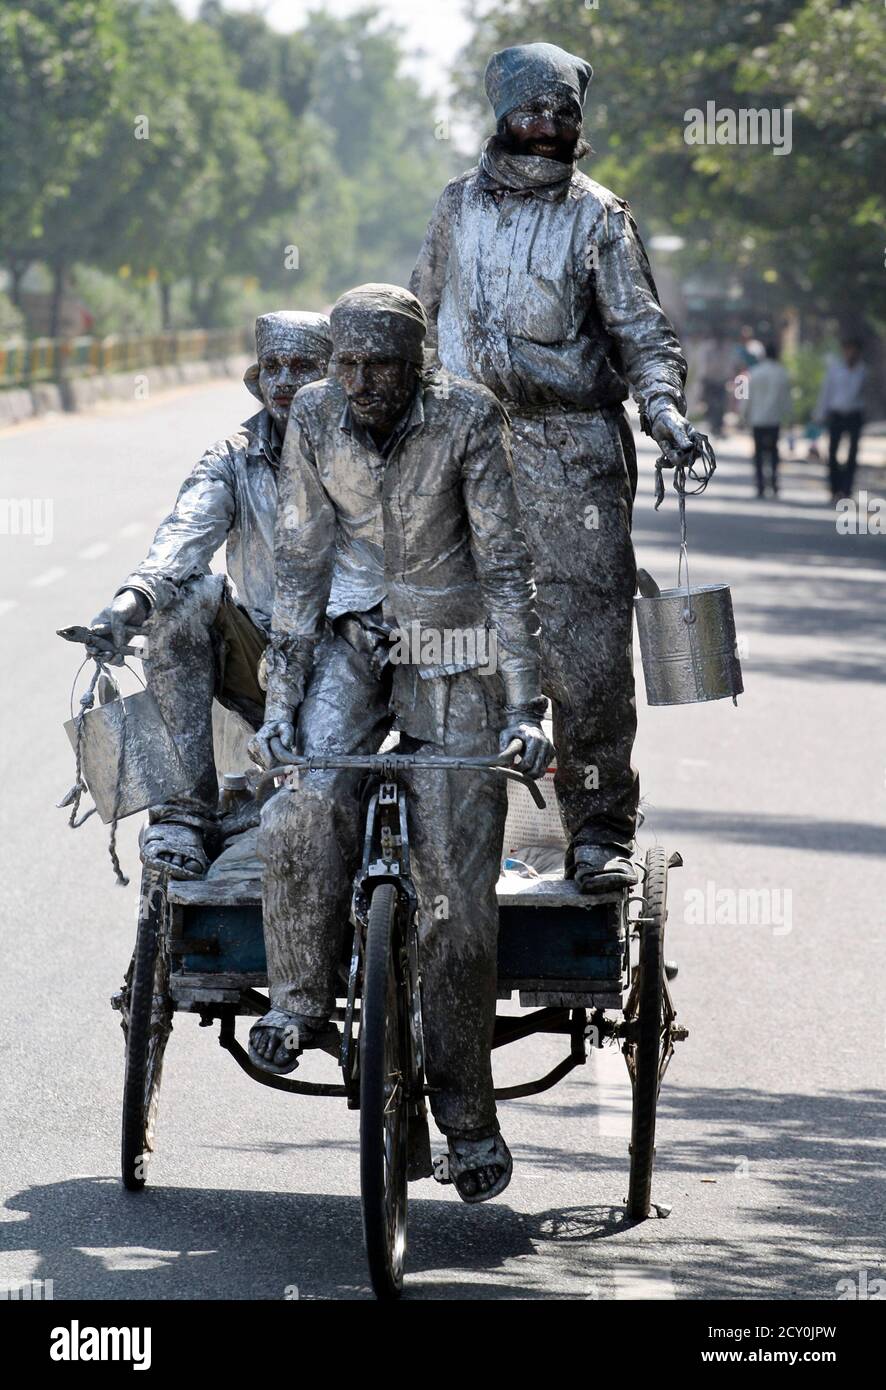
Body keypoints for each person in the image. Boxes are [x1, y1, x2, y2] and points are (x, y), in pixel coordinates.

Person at [249, 284, 552, 1202]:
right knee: (302, 798)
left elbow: (504, 564)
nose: (359, 380)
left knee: (457, 894)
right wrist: (280, 701)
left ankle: (468, 1117)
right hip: (347, 628)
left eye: (379, 363)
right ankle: (300, 1001)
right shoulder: (313, 414)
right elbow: (300, 559)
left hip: (451, 638)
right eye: (345, 362)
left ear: (417, 361)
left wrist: (524, 709)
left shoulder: (465, 416)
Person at [410, 42, 704, 893]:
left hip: (573, 460)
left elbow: (643, 336)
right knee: (449, 640)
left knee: (587, 657)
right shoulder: (454, 209)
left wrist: (665, 410)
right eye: (532, 111)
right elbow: (418, 317)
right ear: (500, 115)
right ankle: (452, 821)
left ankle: (597, 827)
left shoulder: (600, 217)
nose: (546, 126)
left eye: (563, 114)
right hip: (460, 455)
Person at [87, 310, 332, 878]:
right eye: (271, 368)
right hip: (265, 659)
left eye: (301, 368)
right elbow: (186, 530)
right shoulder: (233, 455)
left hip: (355, 657)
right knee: (184, 600)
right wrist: (135, 599)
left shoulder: (371, 454)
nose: (283, 383)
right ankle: (184, 813)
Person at [816, 339, 867, 501]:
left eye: (854, 350)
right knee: (832, 452)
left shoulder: (864, 371)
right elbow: (826, 392)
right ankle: (834, 488)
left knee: (852, 454)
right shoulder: (835, 369)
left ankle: (847, 488)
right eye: (847, 350)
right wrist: (820, 413)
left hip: (854, 414)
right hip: (836, 413)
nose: (850, 353)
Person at [747, 342, 793, 497]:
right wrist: (789, 416)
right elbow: (786, 398)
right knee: (773, 451)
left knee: (759, 452)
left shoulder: (755, 372)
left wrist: (743, 415)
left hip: (758, 419)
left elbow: (747, 398)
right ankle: (773, 482)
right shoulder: (781, 373)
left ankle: (760, 485)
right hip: (774, 419)